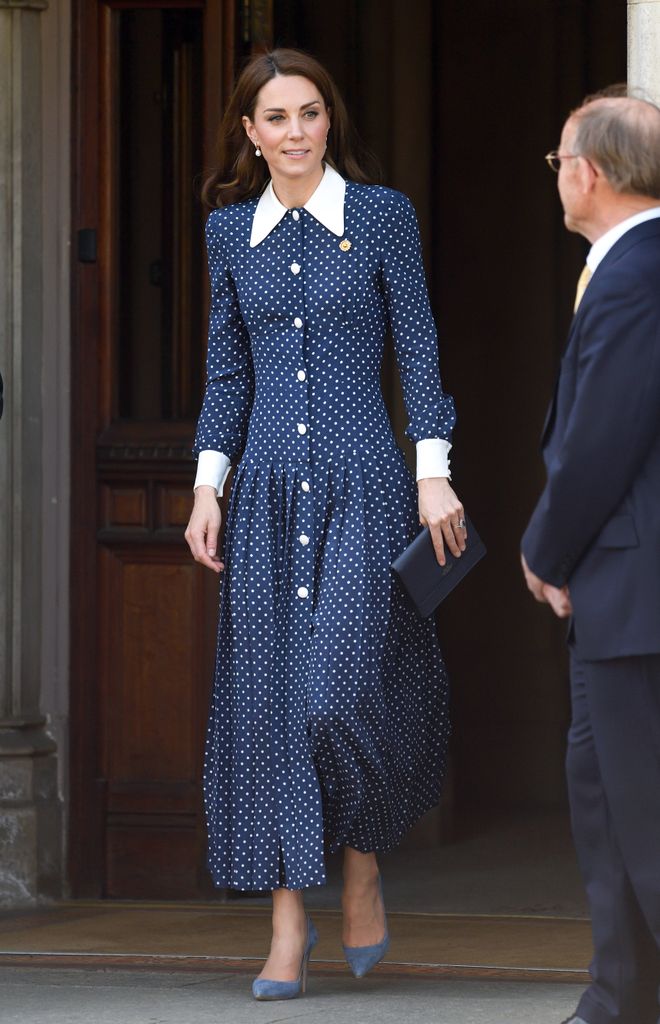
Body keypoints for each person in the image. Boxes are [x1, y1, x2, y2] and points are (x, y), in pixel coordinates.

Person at [185, 48, 465, 1001]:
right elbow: (228, 374)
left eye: (310, 113)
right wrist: (204, 487)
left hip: (365, 486)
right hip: (262, 493)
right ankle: (286, 920)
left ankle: (361, 862)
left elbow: (419, 353)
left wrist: (435, 475)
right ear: (251, 135)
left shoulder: (382, 218)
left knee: (336, 697)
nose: (297, 132)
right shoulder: (229, 235)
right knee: (269, 709)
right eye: (277, 118)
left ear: (328, 122)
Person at [522, 93, 660, 1024]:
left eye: (558, 158)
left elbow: (602, 439)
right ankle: (619, 999)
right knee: (607, 803)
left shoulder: (638, 270)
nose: (557, 173)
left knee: (644, 819)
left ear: (591, 172)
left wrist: (544, 549)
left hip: (634, 587)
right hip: (617, 593)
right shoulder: (622, 265)